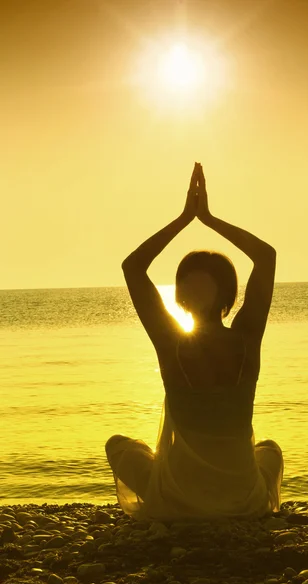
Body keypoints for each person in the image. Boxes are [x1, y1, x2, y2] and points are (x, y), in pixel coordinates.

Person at [105, 163, 284, 520]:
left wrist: (187, 218)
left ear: (181, 299)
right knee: (270, 451)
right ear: (228, 295)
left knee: (118, 446)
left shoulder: (170, 344)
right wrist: (207, 218)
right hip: (243, 502)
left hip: (177, 502)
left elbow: (133, 267)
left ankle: (178, 479)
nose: (192, 290)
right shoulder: (247, 339)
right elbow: (266, 256)